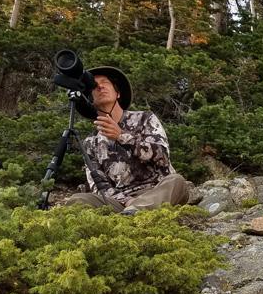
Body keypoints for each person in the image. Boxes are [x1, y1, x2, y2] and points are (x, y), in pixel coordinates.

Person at [66, 66, 188, 214]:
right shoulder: (91, 142)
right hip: (122, 202)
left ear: (117, 93)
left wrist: (122, 136)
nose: (100, 86)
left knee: (177, 181)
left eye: (105, 82)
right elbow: (99, 186)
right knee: (77, 200)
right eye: (94, 86)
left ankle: (136, 213)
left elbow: (163, 157)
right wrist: (127, 201)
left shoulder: (145, 118)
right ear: (90, 99)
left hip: (157, 190)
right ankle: (133, 214)